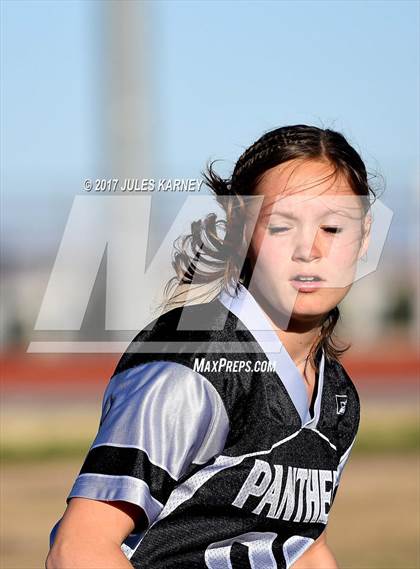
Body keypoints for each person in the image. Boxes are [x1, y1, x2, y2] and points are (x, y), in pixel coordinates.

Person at [46, 124, 373, 569]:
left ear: (365, 237)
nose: (309, 250)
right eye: (280, 226)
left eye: (333, 226)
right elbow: (79, 549)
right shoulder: (191, 363)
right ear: (240, 232)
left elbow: (302, 545)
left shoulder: (334, 394)